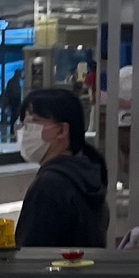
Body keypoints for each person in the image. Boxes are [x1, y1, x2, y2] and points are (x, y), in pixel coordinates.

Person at [13, 86, 109, 248]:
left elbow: (31, 251)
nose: (25, 131)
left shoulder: (49, 185)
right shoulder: (87, 174)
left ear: (62, 130)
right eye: (23, 122)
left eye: (33, 121)